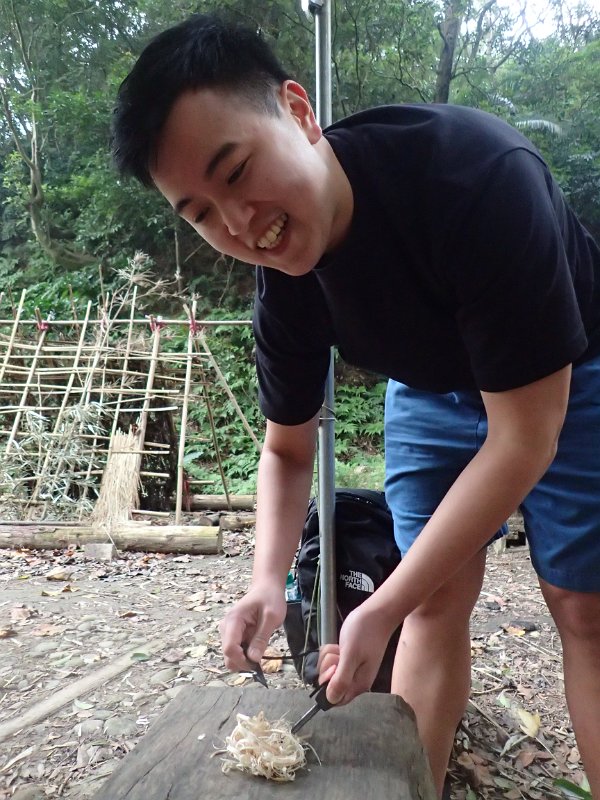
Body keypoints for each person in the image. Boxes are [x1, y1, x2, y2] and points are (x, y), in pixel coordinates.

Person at [112, 13, 600, 798]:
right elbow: (286, 449)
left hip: (570, 373)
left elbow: (523, 437)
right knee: (434, 599)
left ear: (298, 111)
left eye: (236, 172)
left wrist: (379, 608)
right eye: (200, 213)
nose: (239, 225)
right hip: (430, 387)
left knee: (584, 609)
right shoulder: (284, 289)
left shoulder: (477, 177)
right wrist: (266, 580)